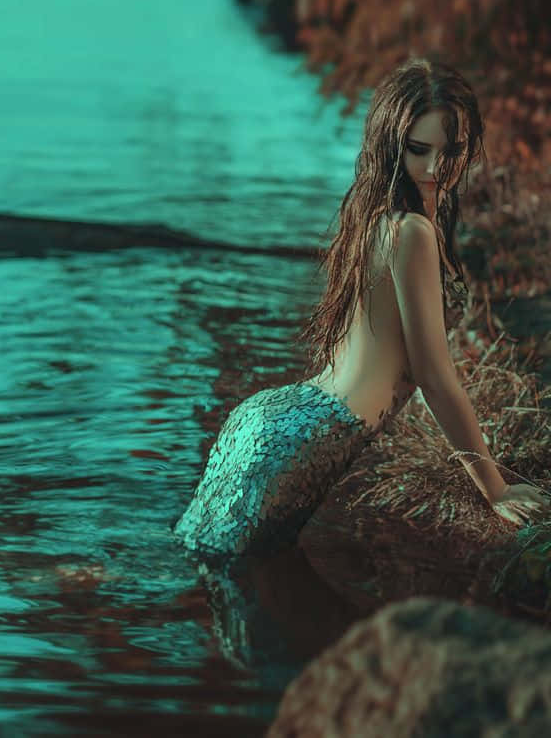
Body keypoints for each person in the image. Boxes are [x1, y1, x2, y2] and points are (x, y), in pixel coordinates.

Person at [173, 58, 551, 561]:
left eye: (453, 150)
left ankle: (73, 582)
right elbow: (433, 377)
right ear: (392, 145)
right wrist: (495, 488)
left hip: (270, 421)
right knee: (229, 579)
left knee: (193, 563)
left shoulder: (374, 217)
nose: (437, 168)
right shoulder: (412, 231)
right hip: (306, 440)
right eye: (419, 151)